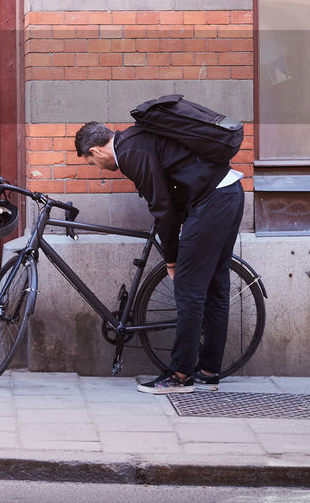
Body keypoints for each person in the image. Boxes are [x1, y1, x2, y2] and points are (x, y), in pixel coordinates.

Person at [74, 120, 244, 394]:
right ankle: (209, 371)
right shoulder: (134, 138)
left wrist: (172, 258)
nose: (98, 169)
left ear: (95, 151)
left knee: (189, 290)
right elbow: (171, 192)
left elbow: (161, 207)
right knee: (215, 286)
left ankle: (179, 375)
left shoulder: (130, 154)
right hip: (230, 192)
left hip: (211, 201)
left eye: (92, 162)